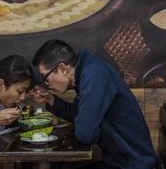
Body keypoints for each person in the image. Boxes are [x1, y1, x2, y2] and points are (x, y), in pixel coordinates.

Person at [30, 39, 158, 169]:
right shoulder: (87, 70)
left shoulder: (94, 73)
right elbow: (81, 115)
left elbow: (86, 135)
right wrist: (50, 99)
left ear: (63, 69)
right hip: (120, 162)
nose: (46, 83)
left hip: (134, 164)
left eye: (45, 77)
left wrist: (89, 125)